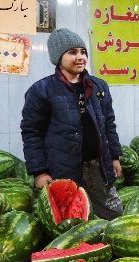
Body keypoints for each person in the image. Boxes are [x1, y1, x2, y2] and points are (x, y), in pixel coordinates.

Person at [21, 28, 124, 219]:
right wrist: (39, 172)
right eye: (72, 52)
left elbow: (109, 124)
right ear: (58, 58)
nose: (80, 57)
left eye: (82, 52)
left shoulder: (99, 86)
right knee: (71, 221)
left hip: (98, 166)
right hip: (64, 169)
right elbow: (31, 132)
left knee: (113, 214)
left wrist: (114, 157)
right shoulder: (41, 90)